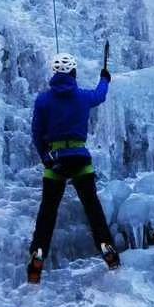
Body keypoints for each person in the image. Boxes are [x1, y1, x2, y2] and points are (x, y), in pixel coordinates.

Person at [27, 51, 120, 284]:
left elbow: (37, 133)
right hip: (80, 158)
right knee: (92, 208)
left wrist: (45, 157)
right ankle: (106, 247)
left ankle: (38, 253)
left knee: (47, 212)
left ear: (55, 72)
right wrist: (105, 77)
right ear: (74, 72)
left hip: (56, 161)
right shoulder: (82, 97)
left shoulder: (43, 100)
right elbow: (100, 95)